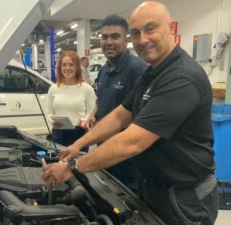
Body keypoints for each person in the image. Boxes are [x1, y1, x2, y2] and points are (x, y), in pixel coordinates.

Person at [43, 2, 219, 225]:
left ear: (170, 28)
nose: (143, 39)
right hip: (155, 188)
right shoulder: (152, 73)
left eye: (151, 29)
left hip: (185, 198)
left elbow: (134, 141)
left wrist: (73, 167)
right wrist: (78, 145)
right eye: (136, 33)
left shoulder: (181, 77)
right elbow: (119, 115)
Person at [82, 14, 147, 191]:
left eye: (115, 36)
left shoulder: (137, 70)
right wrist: (94, 114)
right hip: (105, 150)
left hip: (126, 158)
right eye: (104, 37)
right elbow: (101, 100)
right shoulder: (104, 69)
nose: (108, 42)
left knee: (127, 204)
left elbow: (142, 118)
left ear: (125, 41)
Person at [47, 51, 96, 152]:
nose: (67, 68)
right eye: (64, 65)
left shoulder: (87, 89)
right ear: (60, 67)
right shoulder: (53, 89)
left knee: (78, 165)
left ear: (77, 67)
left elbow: (91, 113)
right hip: (58, 133)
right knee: (59, 163)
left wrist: (85, 121)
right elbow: (49, 113)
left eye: (71, 64)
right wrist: (52, 121)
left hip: (79, 134)